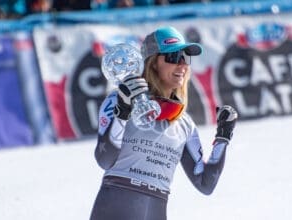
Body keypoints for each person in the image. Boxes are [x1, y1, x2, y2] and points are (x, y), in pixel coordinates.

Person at [90, 26, 238, 220]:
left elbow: (205, 184)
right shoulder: (120, 100)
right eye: (174, 57)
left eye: (185, 57)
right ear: (152, 63)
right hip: (117, 204)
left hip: (157, 209)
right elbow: (104, 159)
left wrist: (223, 137)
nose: (182, 65)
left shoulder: (184, 123)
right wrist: (123, 112)